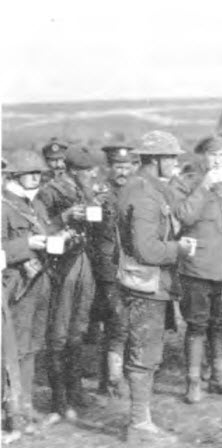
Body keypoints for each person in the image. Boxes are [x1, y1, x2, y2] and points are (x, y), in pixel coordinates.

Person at [116, 130, 194, 443]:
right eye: (171, 157)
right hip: (146, 285)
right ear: (155, 159)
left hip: (149, 284)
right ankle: (138, 425)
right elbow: (147, 250)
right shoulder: (144, 194)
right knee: (144, 353)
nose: (175, 163)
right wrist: (179, 249)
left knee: (146, 351)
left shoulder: (145, 186)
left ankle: (141, 420)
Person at [171, 135, 222, 403]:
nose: (218, 161)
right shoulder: (184, 183)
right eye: (213, 156)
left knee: (220, 325)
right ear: (201, 157)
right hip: (196, 267)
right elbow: (184, 215)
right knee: (197, 326)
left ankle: (219, 376)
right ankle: (193, 382)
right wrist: (204, 187)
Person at [38, 145, 100, 422]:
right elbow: (37, 227)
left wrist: (94, 203)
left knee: (79, 328)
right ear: (73, 170)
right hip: (61, 265)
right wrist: (64, 217)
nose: (89, 175)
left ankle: (75, 389)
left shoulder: (85, 189)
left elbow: (98, 219)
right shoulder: (50, 191)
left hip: (83, 260)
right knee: (59, 333)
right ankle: (59, 398)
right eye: (85, 171)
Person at [1, 150, 54, 435]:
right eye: (31, 173)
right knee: (15, 350)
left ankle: (27, 405)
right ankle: (13, 411)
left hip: (38, 282)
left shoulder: (33, 205)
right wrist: (28, 243)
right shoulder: (4, 206)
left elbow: (47, 230)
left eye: (39, 173)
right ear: (15, 176)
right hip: (17, 286)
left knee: (32, 347)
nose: (37, 177)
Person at [87, 145, 139, 397]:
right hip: (107, 269)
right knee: (116, 324)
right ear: (109, 167)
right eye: (118, 167)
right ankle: (113, 381)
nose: (123, 171)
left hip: (133, 266)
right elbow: (92, 231)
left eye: (127, 166)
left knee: (127, 324)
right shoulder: (99, 194)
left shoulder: (137, 190)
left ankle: (117, 377)